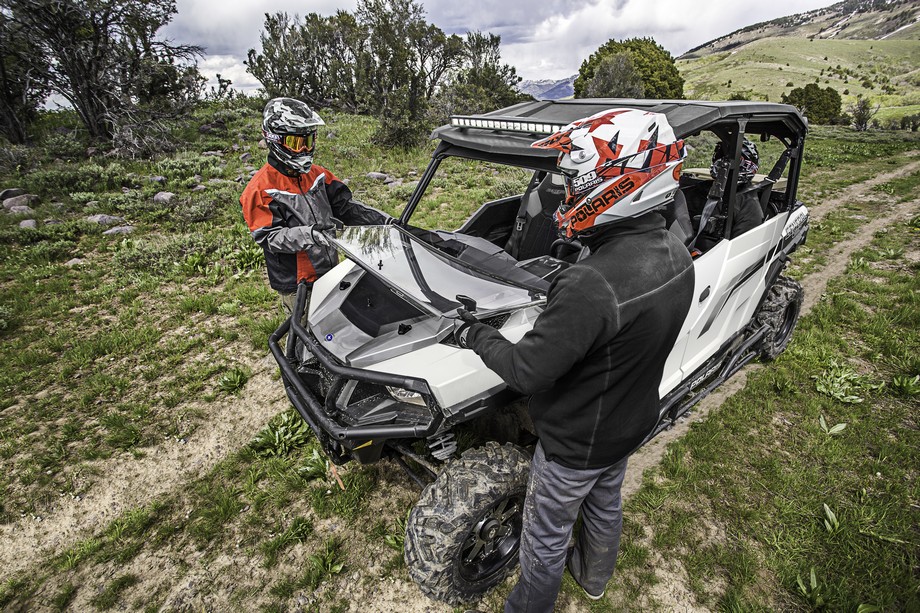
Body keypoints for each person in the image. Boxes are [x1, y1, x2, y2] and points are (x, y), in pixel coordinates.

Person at [454, 108, 696, 612]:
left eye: (577, 181)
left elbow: (526, 371)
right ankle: (593, 578)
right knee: (605, 503)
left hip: (574, 443)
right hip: (630, 420)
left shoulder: (590, 283)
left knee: (543, 540)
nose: (568, 193)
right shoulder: (677, 253)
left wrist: (474, 333)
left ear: (618, 183)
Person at [240, 97, 392, 316]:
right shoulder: (260, 189)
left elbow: (347, 208)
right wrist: (309, 234)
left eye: (308, 141)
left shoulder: (318, 175)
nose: (304, 148)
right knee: (305, 331)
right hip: (297, 283)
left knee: (337, 323)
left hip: (329, 269)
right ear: (275, 139)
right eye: (296, 143)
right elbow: (269, 237)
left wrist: (386, 222)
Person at [711, 137, 764, 237]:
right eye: (720, 159)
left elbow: (743, 242)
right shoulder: (704, 188)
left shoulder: (748, 204)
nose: (721, 165)